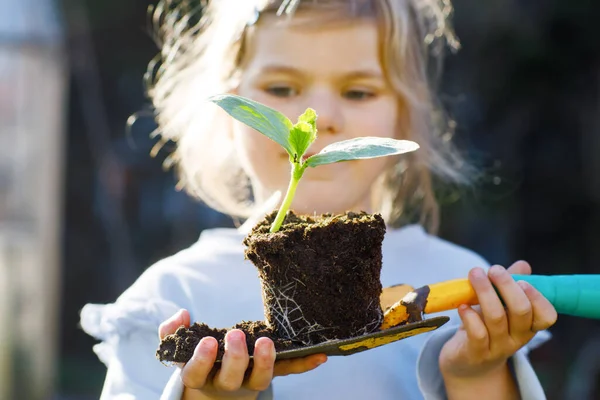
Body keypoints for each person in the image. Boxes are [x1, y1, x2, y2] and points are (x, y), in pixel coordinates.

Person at [80, 0, 557, 399]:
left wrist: (474, 374)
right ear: (233, 106)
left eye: (358, 90)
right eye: (281, 88)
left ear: (404, 117)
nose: (322, 117)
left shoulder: (465, 291)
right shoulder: (174, 295)